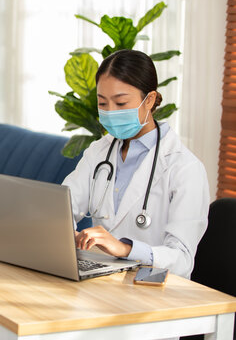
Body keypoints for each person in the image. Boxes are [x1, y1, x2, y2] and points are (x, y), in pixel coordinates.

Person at [63, 49, 209, 278]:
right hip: (104, 279)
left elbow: (182, 259)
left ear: (149, 100)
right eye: (102, 103)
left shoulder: (185, 168)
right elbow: (64, 206)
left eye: (121, 103)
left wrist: (126, 249)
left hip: (156, 288)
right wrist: (62, 232)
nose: (110, 112)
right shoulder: (99, 152)